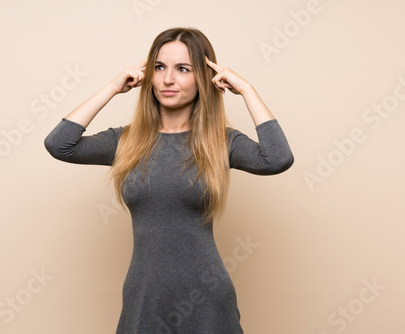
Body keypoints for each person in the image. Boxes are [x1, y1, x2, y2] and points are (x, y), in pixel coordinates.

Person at [44, 27, 294, 334]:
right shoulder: (126, 141)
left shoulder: (220, 142)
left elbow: (278, 158)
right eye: (159, 67)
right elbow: (60, 144)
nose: (167, 79)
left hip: (207, 296)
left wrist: (247, 90)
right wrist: (113, 87)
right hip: (144, 295)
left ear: (203, 78)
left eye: (183, 69)